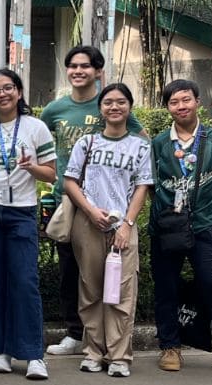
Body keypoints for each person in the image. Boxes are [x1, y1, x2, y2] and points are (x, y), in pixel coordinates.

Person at [40, 46, 143, 358]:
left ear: (99, 71)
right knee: (72, 272)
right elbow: (44, 152)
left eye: (85, 66)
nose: (78, 71)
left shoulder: (110, 107)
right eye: (72, 66)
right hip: (67, 202)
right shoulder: (54, 111)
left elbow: (139, 146)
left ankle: (105, 342)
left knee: (108, 274)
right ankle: (76, 332)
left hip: (110, 207)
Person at [148, 78, 212, 376]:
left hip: (206, 224)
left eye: (186, 100)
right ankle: (169, 346)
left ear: (197, 101)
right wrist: (169, 211)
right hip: (167, 226)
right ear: (167, 108)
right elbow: (150, 183)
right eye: (174, 102)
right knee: (166, 287)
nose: (180, 106)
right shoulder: (159, 143)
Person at [62, 83, 153, 377]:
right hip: (87, 224)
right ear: (100, 108)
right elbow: (70, 181)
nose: (115, 107)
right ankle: (92, 351)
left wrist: (126, 224)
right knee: (90, 289)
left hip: (122, 227)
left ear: (130, 107)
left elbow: (142, 187)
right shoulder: (86, 143)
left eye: (121, 102)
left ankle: (119, 356)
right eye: (109, 102)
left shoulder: (140, 146)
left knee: (122, 291)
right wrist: (90, 211)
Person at [0, 68, 56, 380]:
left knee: (24, 281)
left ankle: (34, 353)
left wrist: (31, 167)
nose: (2, 94)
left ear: (19, 93)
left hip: (21, 211)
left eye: (8, 88)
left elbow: (51, 173)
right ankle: (0, 350)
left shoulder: (36, 128)